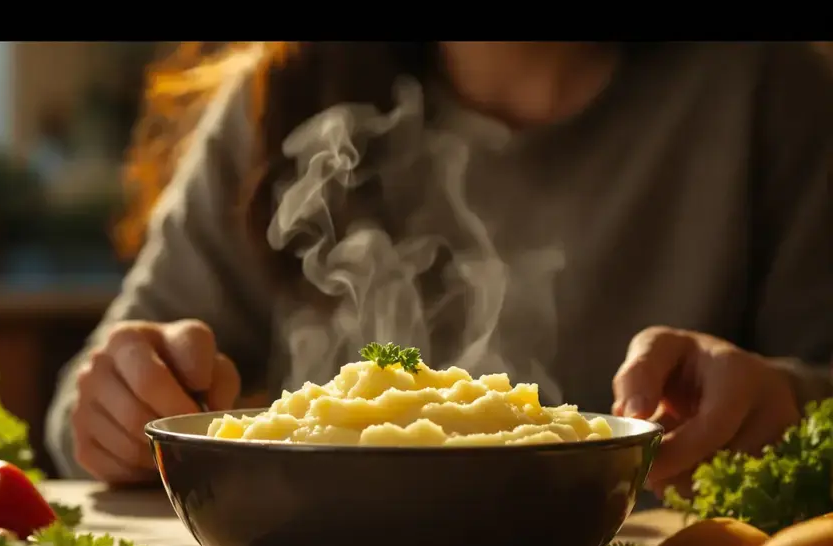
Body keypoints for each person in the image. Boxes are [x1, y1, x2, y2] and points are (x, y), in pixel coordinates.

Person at [45, 42, 833, 496]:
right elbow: (85, 413)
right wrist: (119, 401)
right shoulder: (284, 92)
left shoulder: (770, 91)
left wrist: (784, 399)